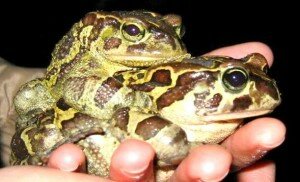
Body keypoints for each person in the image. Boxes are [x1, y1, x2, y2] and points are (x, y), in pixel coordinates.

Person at [0, 42, 286, 181]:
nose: (264, 89)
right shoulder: (157, 113)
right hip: (56, 134)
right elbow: (125, 113)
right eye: (235, 80)